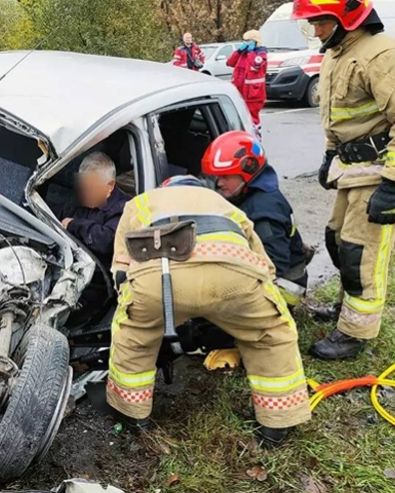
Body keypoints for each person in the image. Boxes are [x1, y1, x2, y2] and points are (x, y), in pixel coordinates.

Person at [107, 175, 311, 448]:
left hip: (159, 276)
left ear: (164, 189)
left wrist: (133, 303)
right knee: (271, 335)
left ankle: (134, 417)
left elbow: (121, 266)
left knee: (133, 338)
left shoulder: (141, 202)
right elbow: (265, 264)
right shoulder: (224, 204)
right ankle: (277, 422)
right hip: (232, 270)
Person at [291, 0, 395, 359]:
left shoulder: (383, 56)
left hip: (383, 170)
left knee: (361, 253)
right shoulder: (339, 52)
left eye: (321, 21)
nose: (316, 30)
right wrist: (329, 154)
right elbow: (339, 115)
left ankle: (356, 331)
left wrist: (394, 184)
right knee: (339, 242)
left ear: (347, 16)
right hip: (352, 169)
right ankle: (346, 311)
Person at [201, 131, 310, 305]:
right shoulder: (250, 194)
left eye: (226, 176)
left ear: (247, 172)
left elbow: (273, 265)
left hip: (283, 287)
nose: (219, 183)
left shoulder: (263, 211)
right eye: (217, 177)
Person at [58, 152, 129, 268]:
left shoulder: (123, 208)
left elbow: (106, 241)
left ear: (110, 186)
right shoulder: (78, 201)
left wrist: (74, 225)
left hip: (98, 278)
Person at [227, 30, 267, 138]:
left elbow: (255, 65)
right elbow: (230, 63)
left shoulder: (261, 54)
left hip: (253, 94)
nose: (245, 42)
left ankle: (256, 139)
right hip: (240, 91)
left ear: (254, 41)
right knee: (241, 117)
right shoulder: (243, 54)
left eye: (247, 40)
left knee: (252, 118)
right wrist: (239, 52)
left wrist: (250, 53)